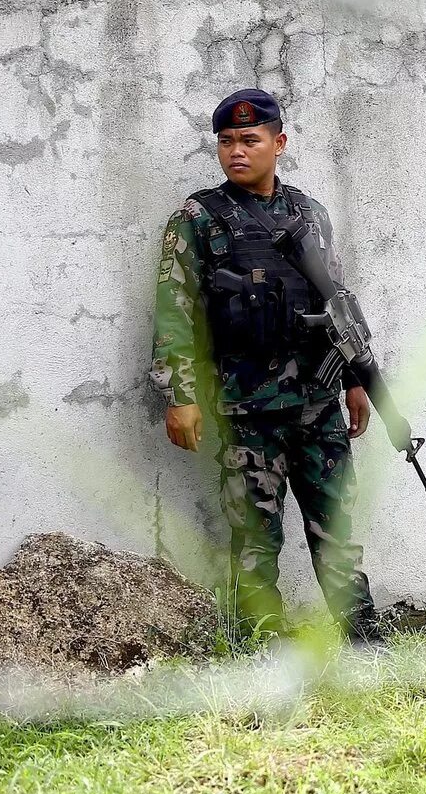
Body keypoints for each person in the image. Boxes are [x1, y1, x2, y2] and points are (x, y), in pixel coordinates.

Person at [151, 88, 379, 638]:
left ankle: (361, 633)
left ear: (278, 143)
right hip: (244, 407)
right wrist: (179, 395)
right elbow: (174, 312)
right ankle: (261, 640)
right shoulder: (198, 219)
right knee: (255, 535)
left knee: (338, 528)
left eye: (249, 140)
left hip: (317, 405)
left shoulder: (310, 214)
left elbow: (334, 299)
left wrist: (352, 379)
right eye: (226, 141)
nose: (236, 151)